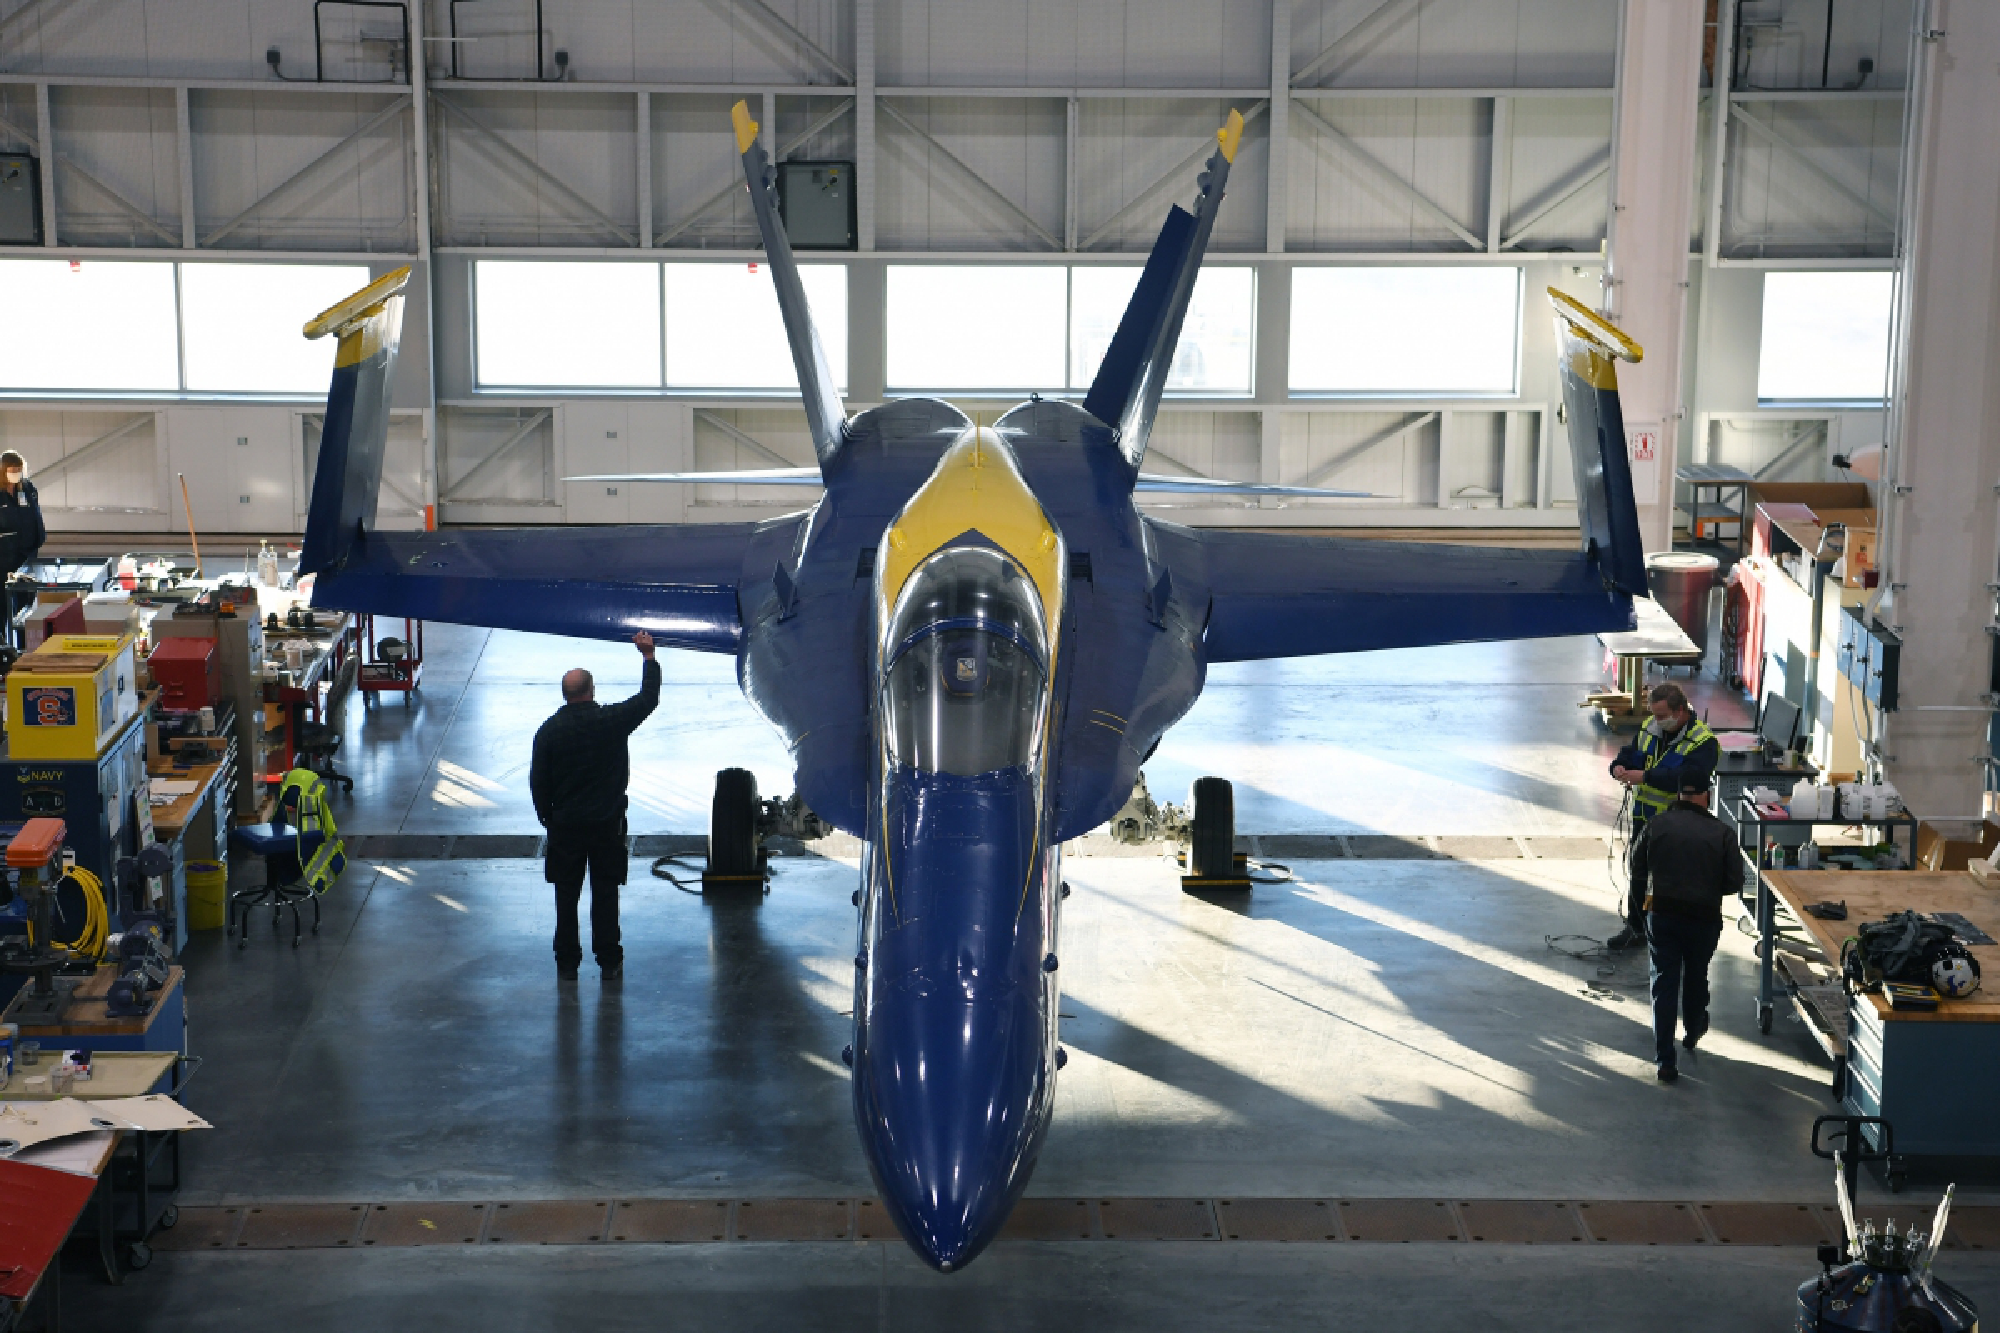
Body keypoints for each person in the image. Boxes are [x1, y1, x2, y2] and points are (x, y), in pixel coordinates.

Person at [530, 631, 660, 982]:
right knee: (605, 894)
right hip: (606, 825)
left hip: (566, 828)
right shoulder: (612, 722)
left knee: (565, 897)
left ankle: (567, 962)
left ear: (566, 694)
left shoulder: (548, 732)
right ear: (591, 690)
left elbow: (538, 782)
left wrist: (549, 818)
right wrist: (648, 657)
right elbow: (648, 698)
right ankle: (608, 959)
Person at [1626, 780, 1741, 1083]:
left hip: (1661, 913)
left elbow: (1636, 867)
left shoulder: (1655, 824)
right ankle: (1693, 1030)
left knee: (1663, 983)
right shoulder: (1723, 833)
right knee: (1696, 974)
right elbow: (1734, 882)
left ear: (1678, 794)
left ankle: (1665, 1059)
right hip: (1703, 917)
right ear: (1708, 794)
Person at [1606, 681, 1717, 949]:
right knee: (1639, 872)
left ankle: (1670, 937)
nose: (1656, 721)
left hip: (1681, 826)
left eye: (1661, 715)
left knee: (1674, 881)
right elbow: (1632, 753)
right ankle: (1636, 928)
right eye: (1654, 714)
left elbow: (1685, 778)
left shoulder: (1703, 742)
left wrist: (1644, 776)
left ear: (1680, 711)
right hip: (1645, 818)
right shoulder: (1650, 729)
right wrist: (1619, 767)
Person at [0, 450, 46, 653]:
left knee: (27, 602)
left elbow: (34, 514)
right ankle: (4, 645)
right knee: (4, 602)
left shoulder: (27, 488)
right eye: (12, 470)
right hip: (5, 556)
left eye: (19, 470)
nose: (16, 473)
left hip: (28, 553)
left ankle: (27, 647)